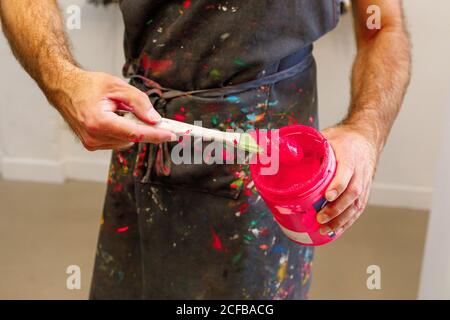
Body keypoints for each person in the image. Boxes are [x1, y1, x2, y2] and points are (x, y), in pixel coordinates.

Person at [0, 0, 411, 299]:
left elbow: (383, 25)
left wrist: (365, 132)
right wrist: (62, 81)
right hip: (147, 130)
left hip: (276, 161)